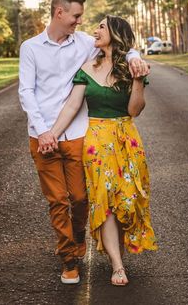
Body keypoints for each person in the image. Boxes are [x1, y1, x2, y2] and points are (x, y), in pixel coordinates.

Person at [18, 0, 150, 285]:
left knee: (79, 198)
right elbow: (26, 91)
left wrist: (136, 56)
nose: (81, 22)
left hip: (77, 134)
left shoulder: (84, 44)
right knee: (57, 201)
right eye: (76, 15)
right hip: (42, 136)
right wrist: (43, 132)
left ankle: (78, 236)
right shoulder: (31, 48)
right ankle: (69, 260)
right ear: (59, 13)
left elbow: (120, 44)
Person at [46, 15, 158, 286]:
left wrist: (139, 80)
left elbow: (134, 110)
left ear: (116, 34)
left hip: (126, 139)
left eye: (101, 27)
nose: (95, 31)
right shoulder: (86, 68)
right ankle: (117, 265)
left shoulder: (132, 67)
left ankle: (118, 250)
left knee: (128, 199)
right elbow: (72, 107)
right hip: (96, 141)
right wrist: (52, 134)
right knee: (105, 202)